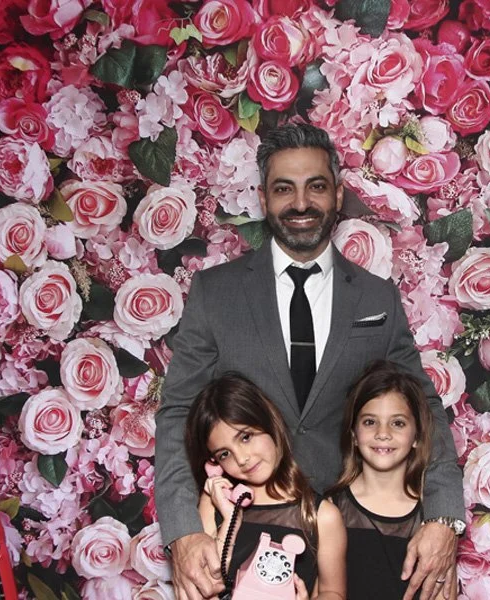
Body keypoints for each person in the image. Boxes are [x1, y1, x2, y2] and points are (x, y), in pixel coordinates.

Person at [155, 122, 465, 600]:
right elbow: (179, 410)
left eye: (316, 186)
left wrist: (444, 517)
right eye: (284, 189)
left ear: (338, 195)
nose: (301, 203)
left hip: (355, 536)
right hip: (248, 535)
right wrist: (184, 531)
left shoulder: (376, 297)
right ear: (264, 198)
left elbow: (423, 405)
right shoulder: (216, 294)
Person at [185, 372, 346, 600]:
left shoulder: (321, 515)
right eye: (224, 454)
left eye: (245, 437)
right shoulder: (213, 504)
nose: (242, 458)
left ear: (269, 422)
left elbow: (333, 592)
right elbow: (204, 584)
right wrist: (230, 519)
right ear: (214, 463)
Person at [328, 361, 456, 600]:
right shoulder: (330, 509)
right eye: (370, 422)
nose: (383, 433)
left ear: (417, 436)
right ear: (353, 434)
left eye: (398, 423)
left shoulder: (433, 522)